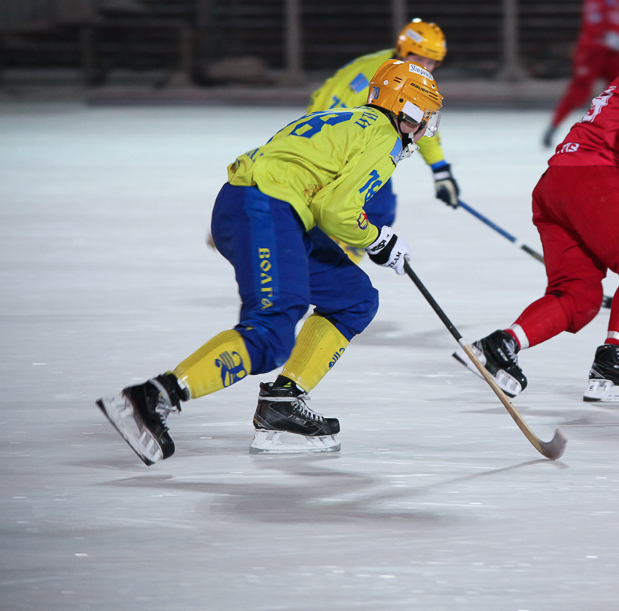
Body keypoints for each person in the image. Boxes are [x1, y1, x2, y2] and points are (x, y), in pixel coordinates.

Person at [96, 61, 444, 464]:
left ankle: (283, 400)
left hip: (261, 207)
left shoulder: (346, 117)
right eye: (426, 117)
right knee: (271, 332)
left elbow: (310, 186)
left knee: (353, 298)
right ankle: (152, 397)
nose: (426, 128)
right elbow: (337, 211)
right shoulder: (386, 138)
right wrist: (379, 239)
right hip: (267, 210)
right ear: (408, 110)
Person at [461, 7, 619, 403]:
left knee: (578, 296)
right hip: (592, 180)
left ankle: (499, 347)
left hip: (556, 186)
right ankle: (614, 360)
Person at [307, 19, 459, 259]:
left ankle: (327, 264)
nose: (426, 67)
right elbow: (415, 121)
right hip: (339, 149)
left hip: (325, 143)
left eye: (431, 62)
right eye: (419, 59)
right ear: (403, 50)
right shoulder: (397, 78)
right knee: (374, 209)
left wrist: (440, 169)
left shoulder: (386, 67)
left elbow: (418, 120)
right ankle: (337, 266)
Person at [543, 0, 619, 148]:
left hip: (613, 52)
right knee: (579, 92)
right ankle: (554, 126)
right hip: (592, 50)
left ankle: (618, 135)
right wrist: (608, 38)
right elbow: (593, 21)